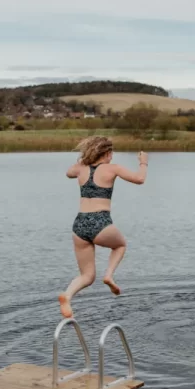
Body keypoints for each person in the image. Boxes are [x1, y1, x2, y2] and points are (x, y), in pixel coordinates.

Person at [58, 136, 148, 319]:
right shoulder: (112, 168)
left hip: (80, 225)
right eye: (111, 153)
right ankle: (109, 276)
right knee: (120, 245)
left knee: (87, 276)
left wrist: (84, 161)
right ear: (107, 153)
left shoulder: (81, 168)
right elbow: (139, 179)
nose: (112, 157)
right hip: (100, 222)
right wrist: (143, 163)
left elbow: (68, 172)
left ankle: (67, 296)